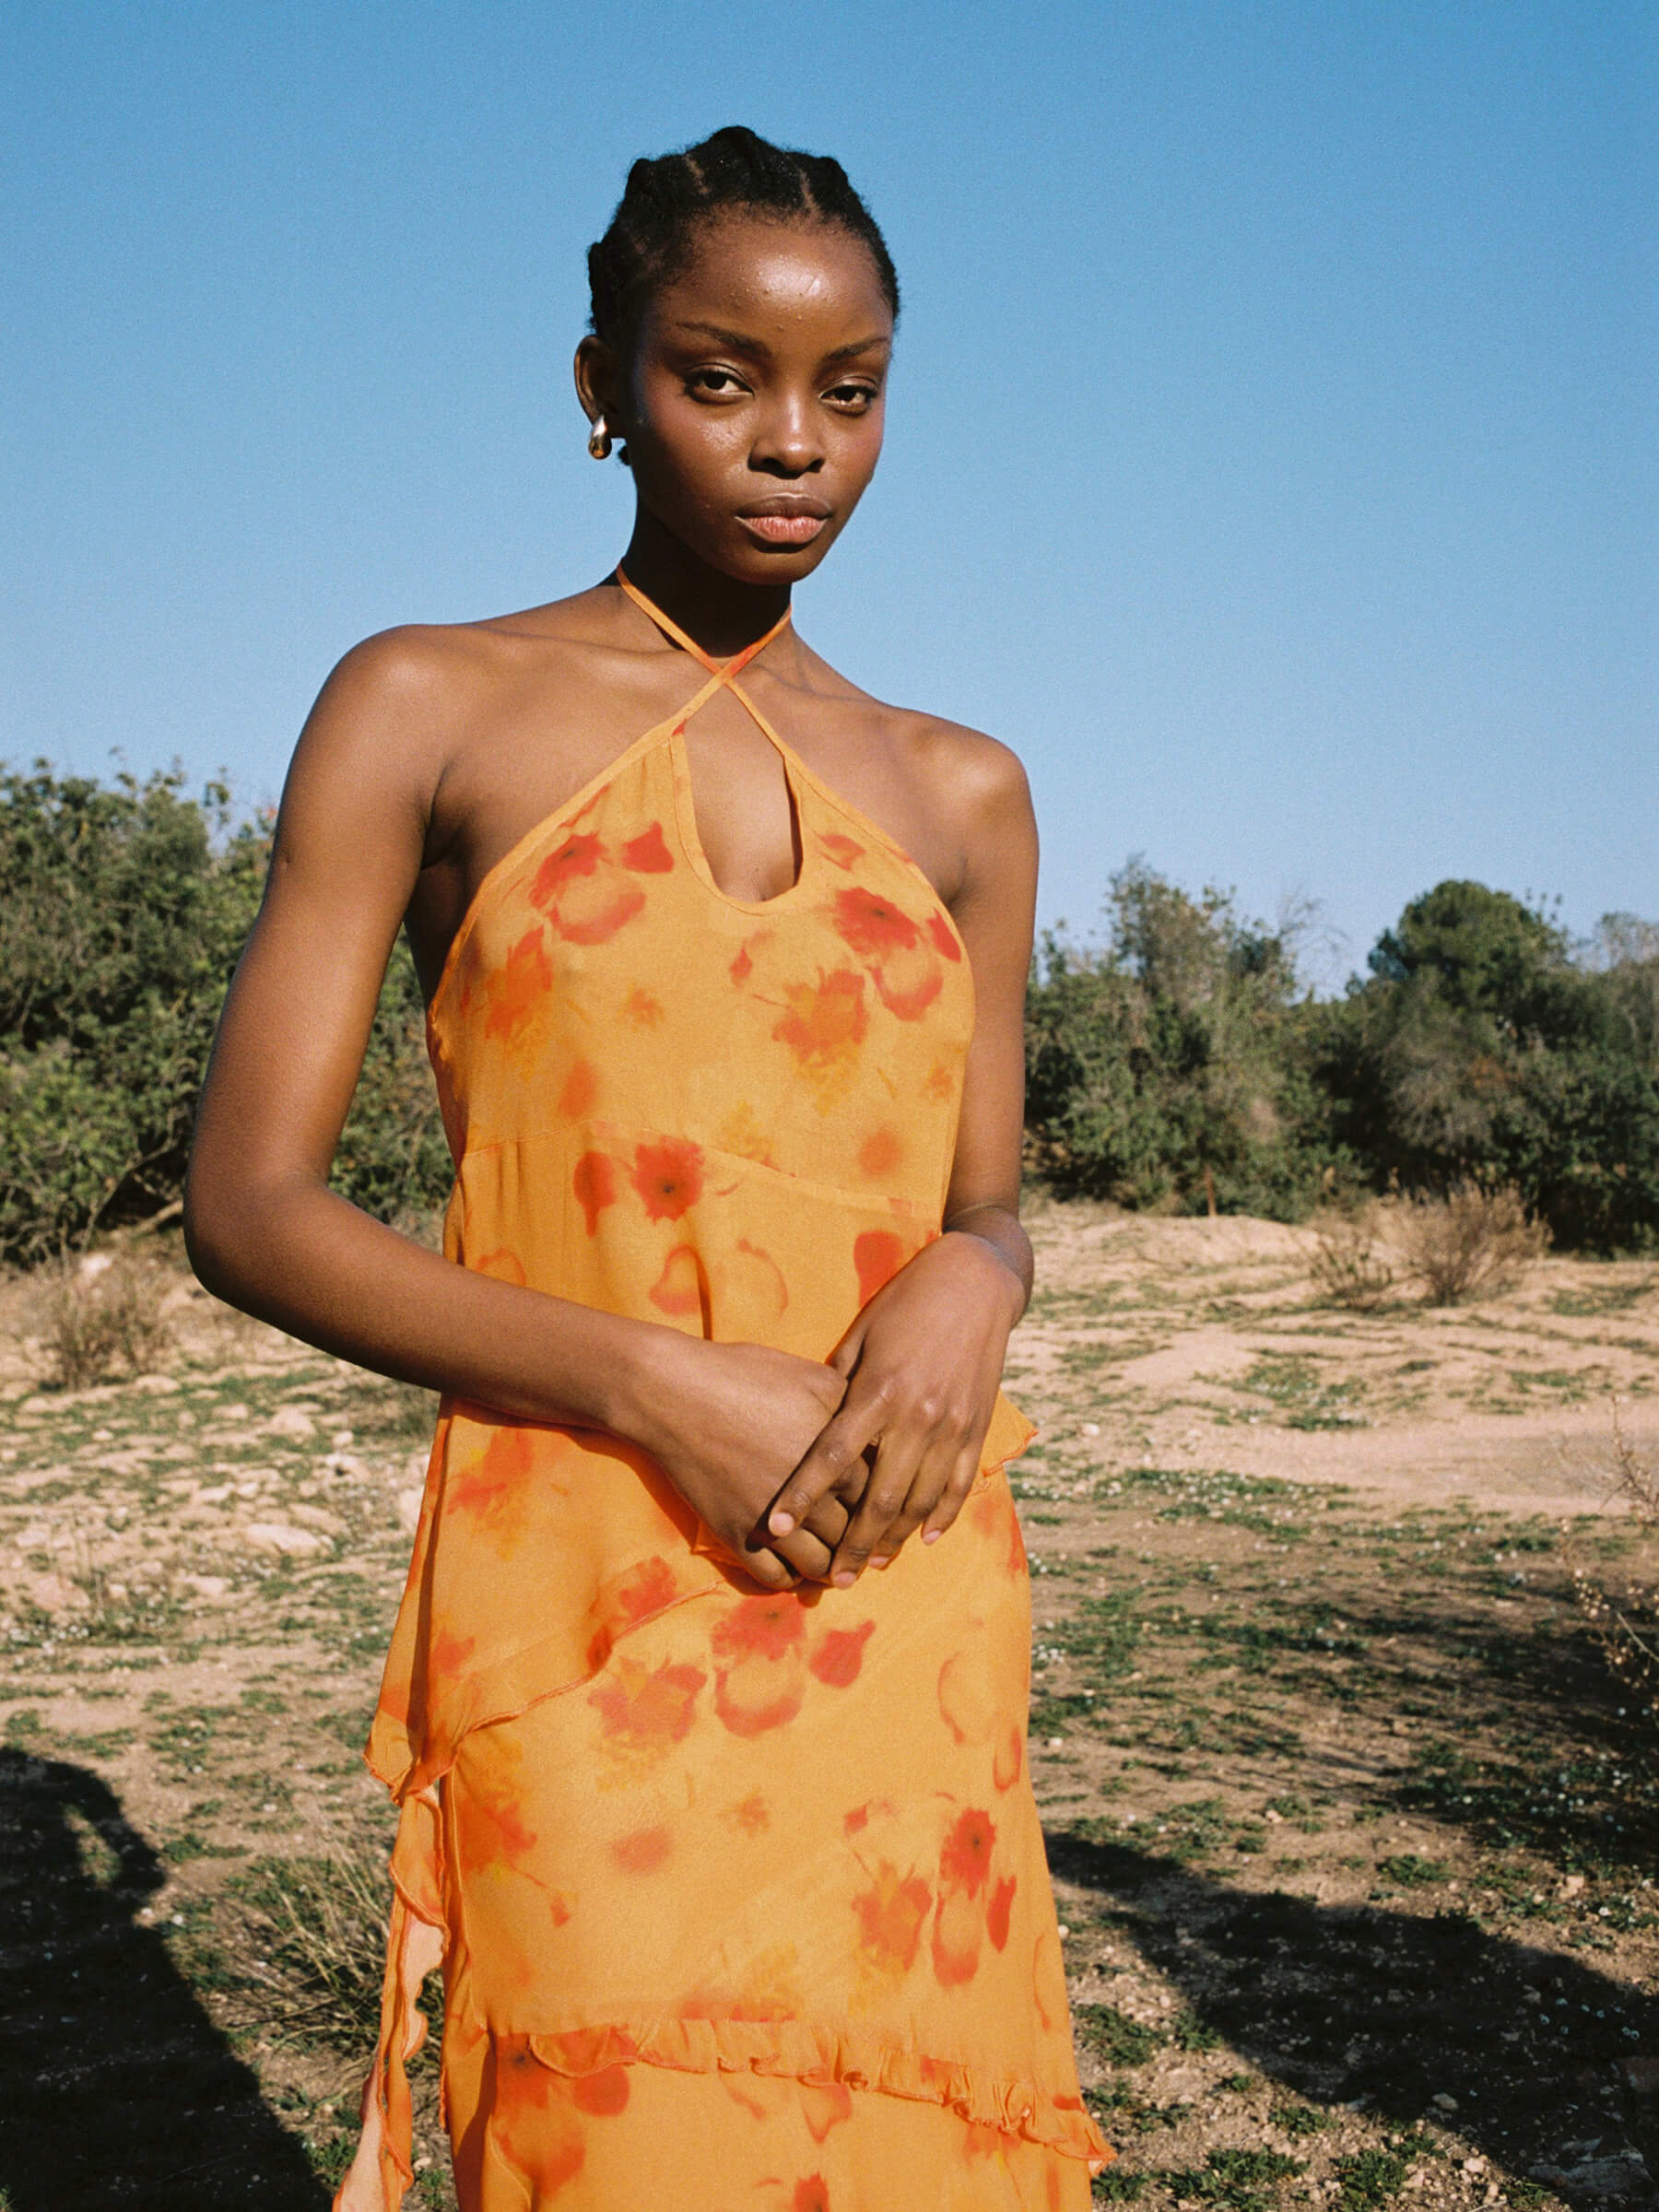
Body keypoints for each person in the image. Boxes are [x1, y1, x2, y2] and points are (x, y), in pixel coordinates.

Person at [186, 124, 1108, 2212]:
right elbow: (246, 1199)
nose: (793, 444)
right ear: (601, 388)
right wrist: (656, 1387)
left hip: (895, 1613)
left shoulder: (966, 793)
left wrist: (983, 1284)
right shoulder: (431, 706)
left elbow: (982, 1202)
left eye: (848, 391)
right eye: (720, 378)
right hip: (583, 1598)